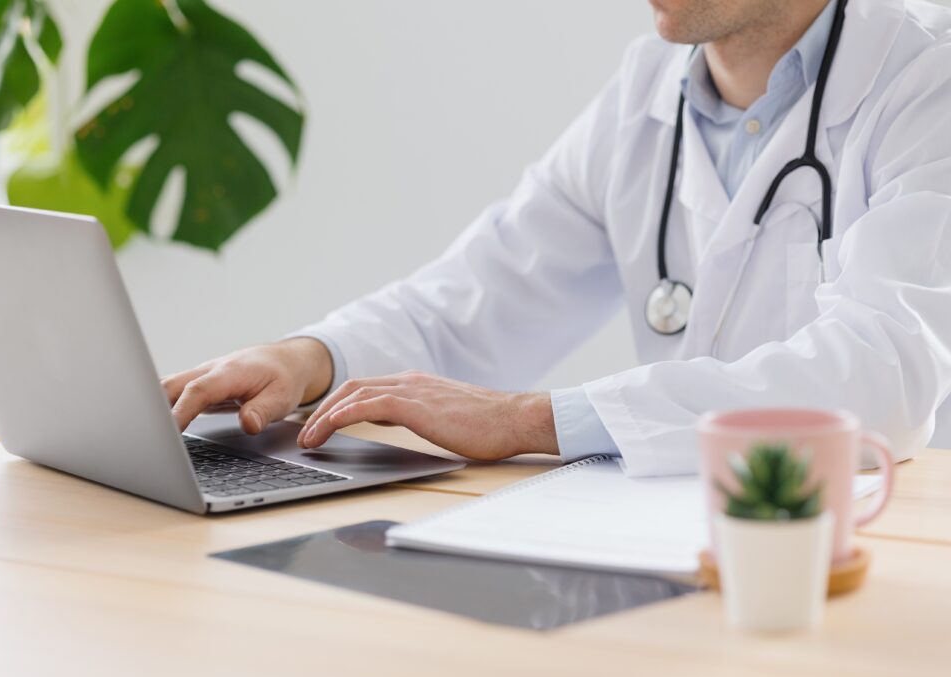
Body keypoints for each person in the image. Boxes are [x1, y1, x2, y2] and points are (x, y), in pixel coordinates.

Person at [163, 0, 951, 476]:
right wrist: (311, 357)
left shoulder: (925, 78)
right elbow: (479, 295)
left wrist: (533, 420)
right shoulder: (646, 97)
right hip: (694, 542)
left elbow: (885, 378)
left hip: (887, 552)